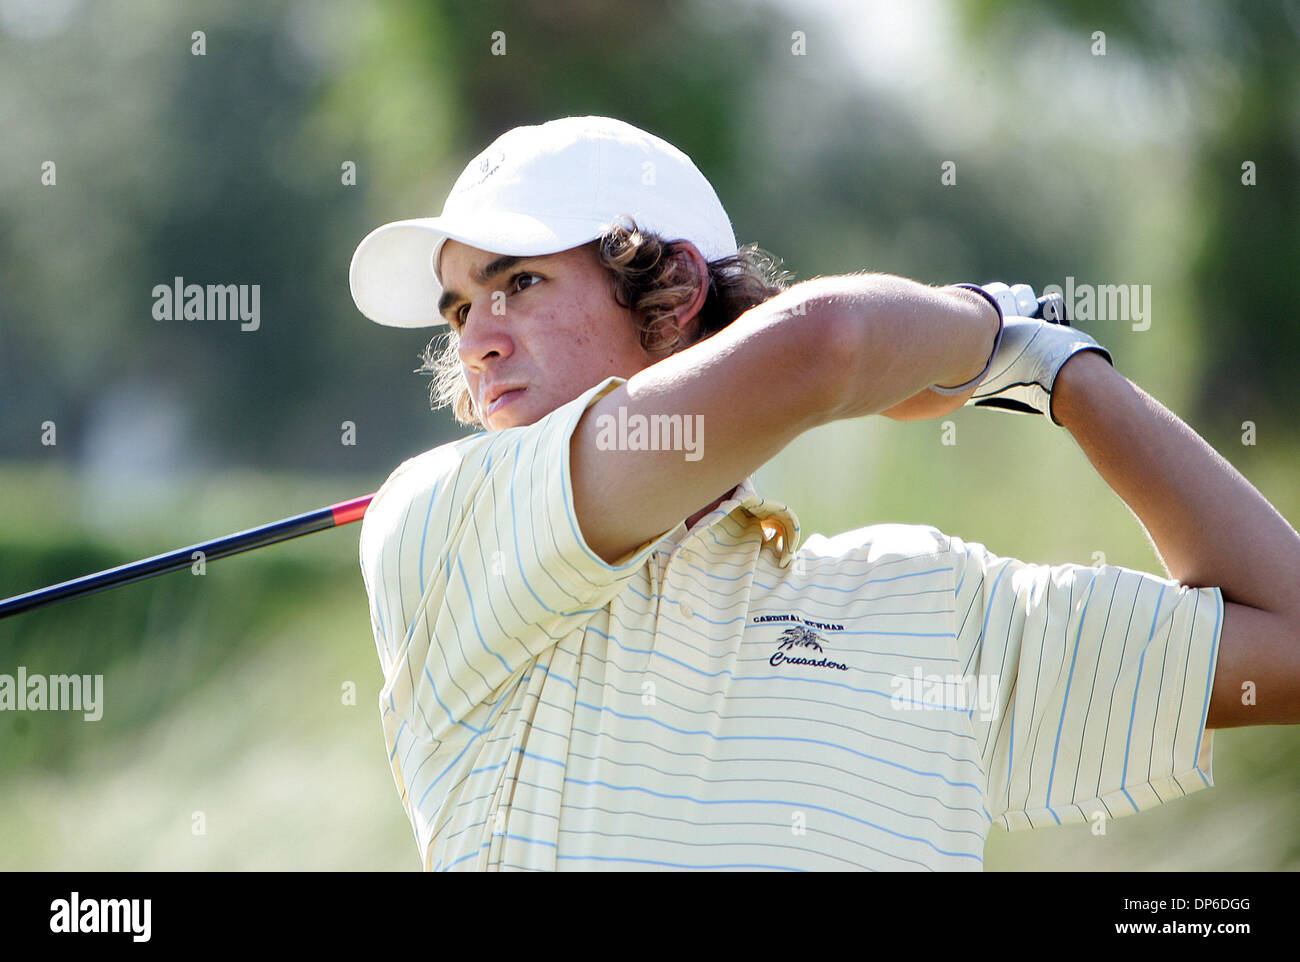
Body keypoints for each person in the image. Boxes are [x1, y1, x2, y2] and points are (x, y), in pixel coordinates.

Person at [348, 115, 1299, 871]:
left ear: (673, 292)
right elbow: (829, 346)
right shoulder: (440, 525)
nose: (477, 340)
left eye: (518, 281)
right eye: (462, 307)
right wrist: (985, 325)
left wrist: (1059, 369)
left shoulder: (928, 607)